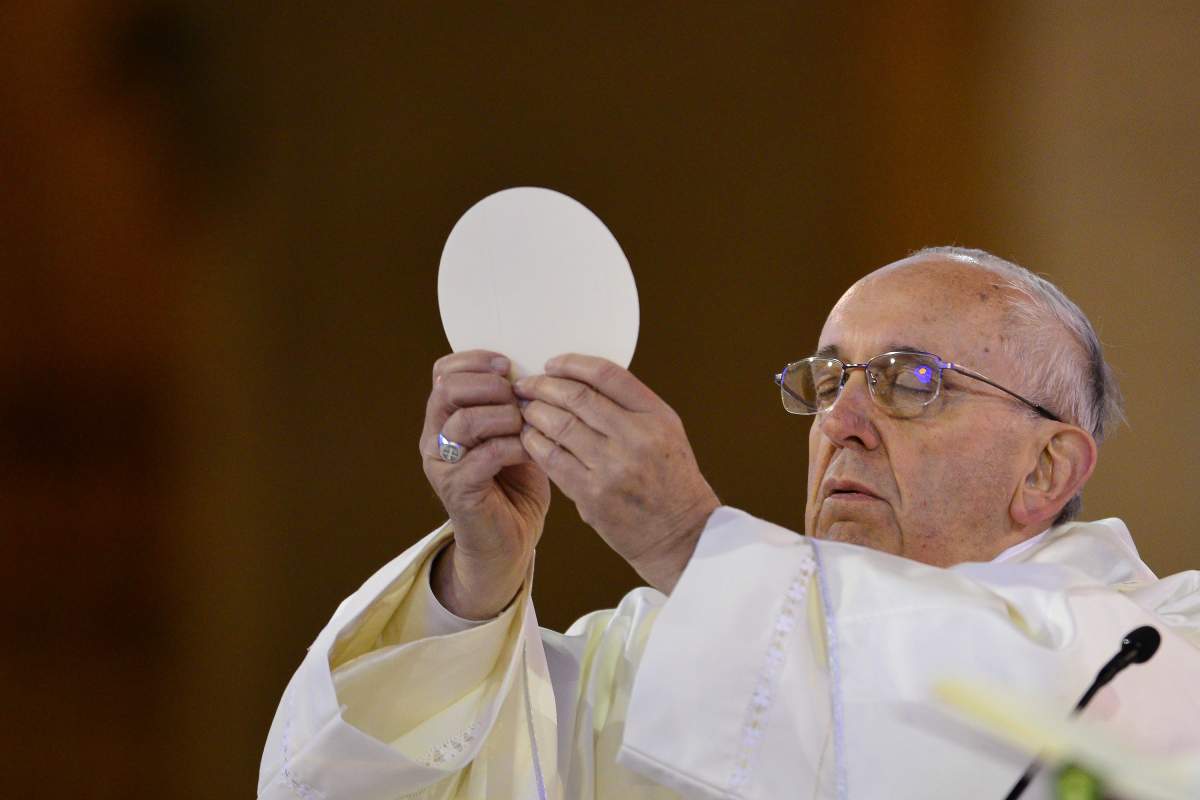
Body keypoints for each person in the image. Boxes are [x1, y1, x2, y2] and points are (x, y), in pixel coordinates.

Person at [257, 247, 1200, 800]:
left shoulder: (1158, 652)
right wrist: (477, 582)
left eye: (911, 381)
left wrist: (685, 542)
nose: (842, 424)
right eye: (828, 381)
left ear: (1048, 466)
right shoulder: (659, 654)